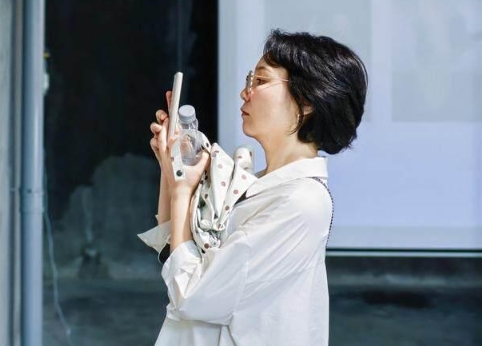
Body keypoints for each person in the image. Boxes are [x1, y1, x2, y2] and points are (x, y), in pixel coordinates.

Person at [147, 29, 368, 345]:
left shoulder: (300, 201)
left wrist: (182, 191)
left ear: (305, 102)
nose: (245, 92)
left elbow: (194, 295)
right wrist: (173, 172)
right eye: (250, 80)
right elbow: (173, 250)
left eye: (260, 81)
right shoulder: (256, 183)